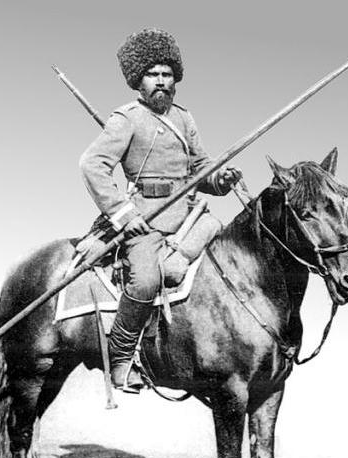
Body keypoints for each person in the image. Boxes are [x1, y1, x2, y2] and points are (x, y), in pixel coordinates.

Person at [79, 28, 241, 392]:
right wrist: (123, 215)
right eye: (153, 74)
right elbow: (92, 165)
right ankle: (121, 358)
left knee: (221, 240)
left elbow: (201, 167)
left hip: (188, 217)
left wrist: (221, 179)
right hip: (145, 219)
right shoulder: (126, 118)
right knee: (147, 279)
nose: (161, 82)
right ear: (139, 80)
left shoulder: (185, 118)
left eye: (167, 74)